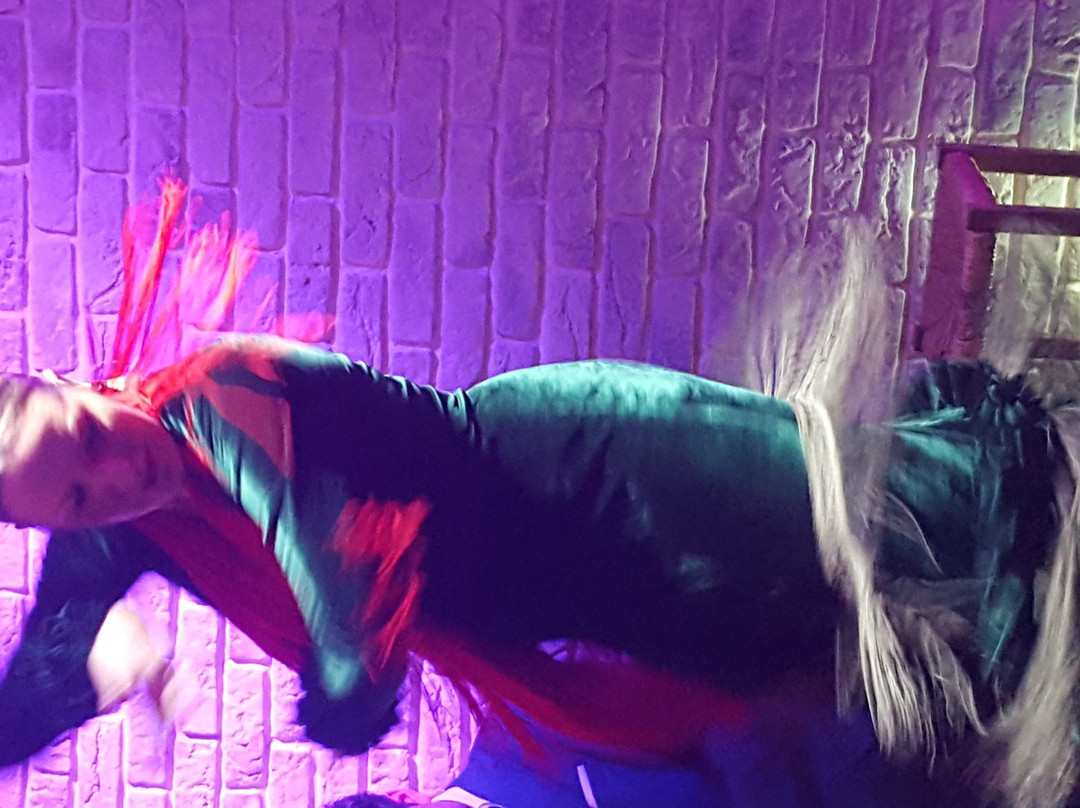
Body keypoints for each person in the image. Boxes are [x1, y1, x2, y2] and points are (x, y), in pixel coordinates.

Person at [0, 181, 1073, 807]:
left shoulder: (214, 396)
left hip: (605, 468)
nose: (118, 475)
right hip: (588, 588)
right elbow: (27, 696)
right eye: (81, 501)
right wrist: (97, 670)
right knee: (821, 645)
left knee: (899, 540)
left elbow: (341, 596)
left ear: (72, 382)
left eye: (88, 436)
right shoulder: (133, 525)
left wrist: (334, 700)